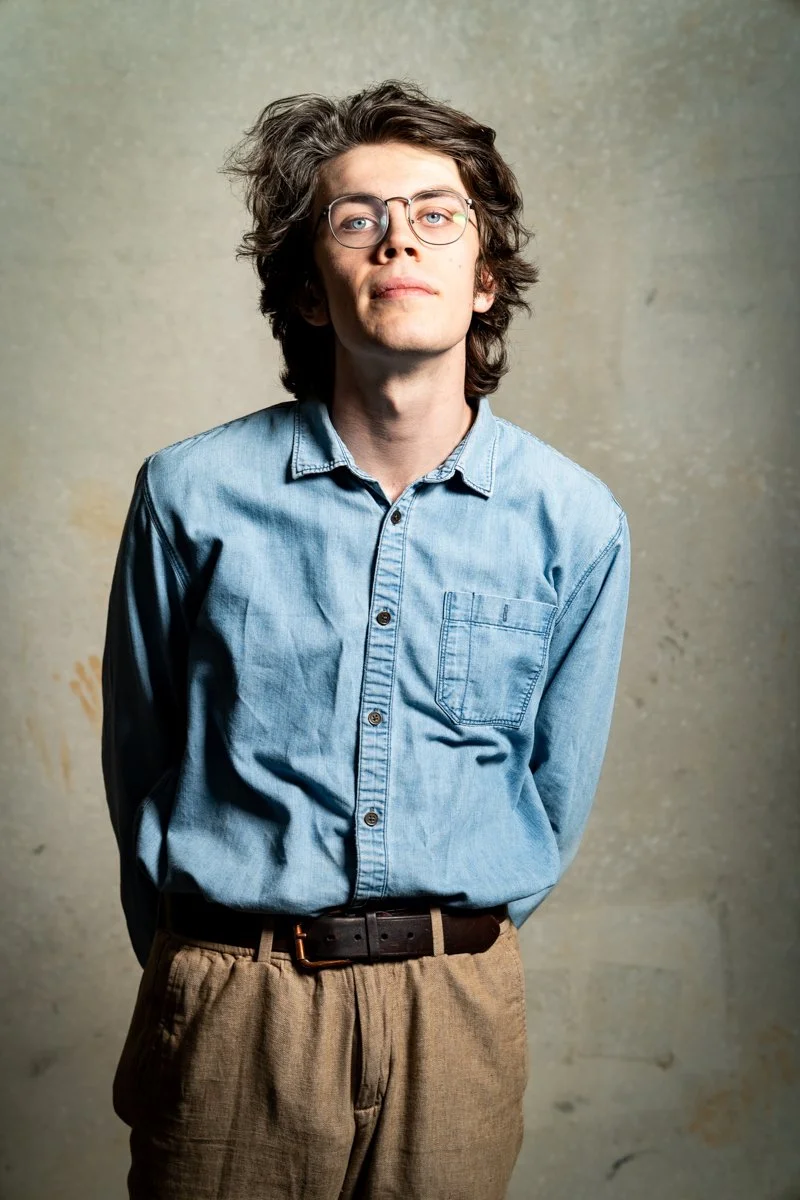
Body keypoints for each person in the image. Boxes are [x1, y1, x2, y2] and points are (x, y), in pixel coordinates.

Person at [101, 78, 630, 1200]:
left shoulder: (575, 522)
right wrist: (212, 960)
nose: (399, 241)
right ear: (305, 288)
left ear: (485, 278)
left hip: (455, 1012)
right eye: (357, 219)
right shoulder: (191, 494)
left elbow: (553, 790)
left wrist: (436, 947)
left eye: (437, 214)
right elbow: (139, 758)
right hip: (235, 999)